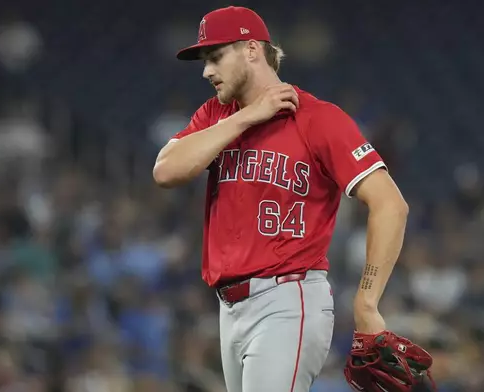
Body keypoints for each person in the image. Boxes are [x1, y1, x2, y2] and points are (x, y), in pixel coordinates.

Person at [153, 6, 409, 392]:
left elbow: (390, 204)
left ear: (252, 50)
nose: (207, 71)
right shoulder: (216, 115)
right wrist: (245, 118)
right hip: (230, 308)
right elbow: (166, 171)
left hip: (288, 300)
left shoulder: (318, 118)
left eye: (215, 57)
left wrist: (367, 302)